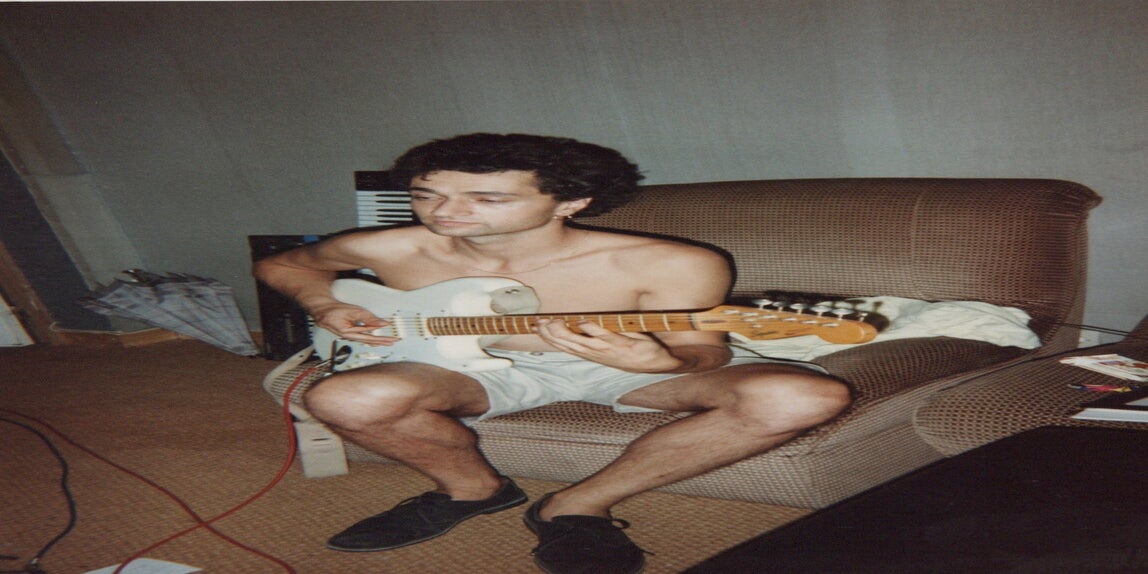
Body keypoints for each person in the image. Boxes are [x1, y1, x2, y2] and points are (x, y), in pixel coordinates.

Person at [253, 133, 851, 574]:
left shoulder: (671, 263)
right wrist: (323, 304)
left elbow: (702, 351)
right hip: (458, 363)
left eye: (486, 198)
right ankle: (472, 489)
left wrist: (664, 363)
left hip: (624, 369)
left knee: (801, 396)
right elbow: (282, 265)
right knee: (343, 398)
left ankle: (576, 506)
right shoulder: (389, 248)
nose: (445, 213)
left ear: (570, 202)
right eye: (426, 195)